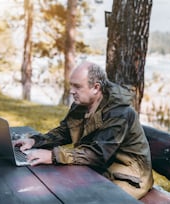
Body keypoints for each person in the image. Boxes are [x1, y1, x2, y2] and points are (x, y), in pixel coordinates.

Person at [14, 61, 154, 199]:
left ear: (96, 87)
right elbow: (65, 132)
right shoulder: (82, 104)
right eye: (71, 85)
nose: (72, 91)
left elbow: (98, 154)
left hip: (128, 177)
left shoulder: (119, 112)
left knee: (84, 199)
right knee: (50, 190)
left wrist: (53, 156)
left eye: (77, 86)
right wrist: (35, 141)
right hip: (99, 168)